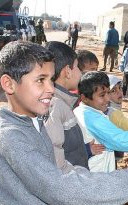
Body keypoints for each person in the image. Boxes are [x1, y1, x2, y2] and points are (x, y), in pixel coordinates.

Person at [0, 41, 128, 204]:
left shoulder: (34, 123)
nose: (50, 88)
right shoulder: (12, 138)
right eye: (41, 80)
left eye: (50, 79)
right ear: (9, 84)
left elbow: (63, 170)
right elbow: (61, 188)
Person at [43, 41, 88, 174]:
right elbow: (57, 169)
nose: (80, 72)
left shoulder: (63, 102)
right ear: (67, 71)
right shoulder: (54, 107)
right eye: (77, 67)